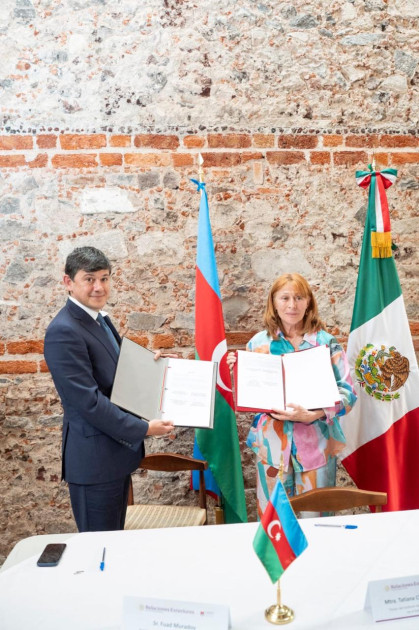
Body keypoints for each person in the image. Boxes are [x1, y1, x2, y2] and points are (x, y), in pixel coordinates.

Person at [44, 246, 174, 532]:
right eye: (89, 279)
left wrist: (154, 365)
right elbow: (89, 402)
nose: (99, 287)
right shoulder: (64, 330)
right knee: (98, 548)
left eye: (104, 278)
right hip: (94, 463)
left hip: (112, 458)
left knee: (112, 544)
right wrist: (144, 428)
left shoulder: (99, 319)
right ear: (68, 282)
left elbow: (118, 373)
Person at [227, 272, 357, 518]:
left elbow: (348, 393)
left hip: (317, 446)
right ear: (274, 303)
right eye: (285, 298)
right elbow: (252, 394)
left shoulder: (326, 343)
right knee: (275, 523)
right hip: (271, 448)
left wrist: (315, 414)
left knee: (317, 520)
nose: (292, 305)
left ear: (308, 302)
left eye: (299, 297)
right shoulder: (258, 344)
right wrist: (239, 372)